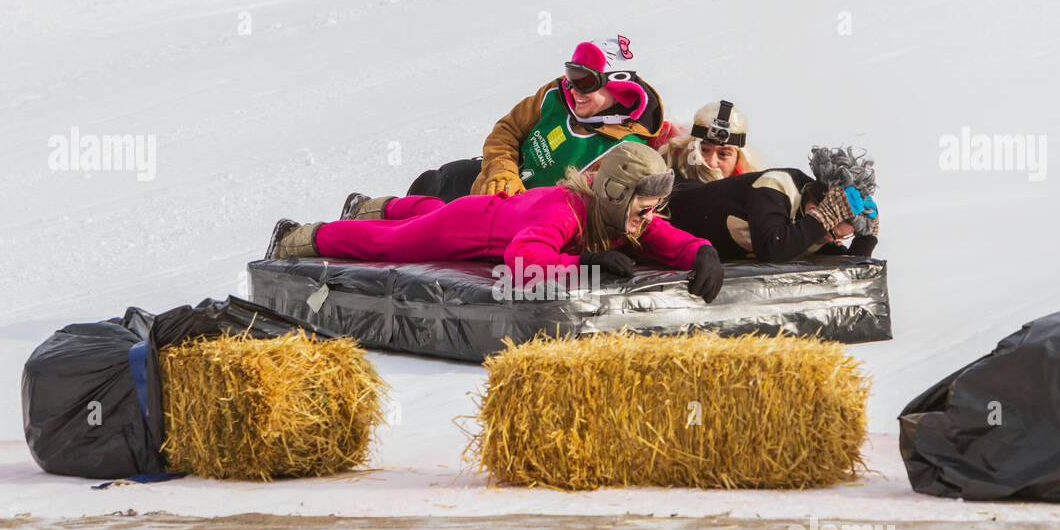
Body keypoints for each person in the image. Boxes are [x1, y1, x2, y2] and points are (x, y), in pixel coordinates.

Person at [266, 142, 724, 301]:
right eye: (644, 205)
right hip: (474, 226)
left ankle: (374, 204)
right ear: (616, 193)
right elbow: (522, 262)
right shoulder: (565, 213)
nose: (650, 217)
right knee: (392, 244)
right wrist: (586, 268)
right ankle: (300, 237)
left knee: (429, 211)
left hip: (499, 212)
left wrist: (699, 252)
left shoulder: (622, 217)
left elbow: (662, 235)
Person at [401, 36, 666, 206]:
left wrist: (519, 203)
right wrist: (502, 171)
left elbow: (589, 209)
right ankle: (375, 217)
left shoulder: (624, 150)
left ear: (618, 86)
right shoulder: (557, 95)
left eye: (585, 81)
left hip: (526, 219)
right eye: (570, 75)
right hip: (493, 187)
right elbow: (508, 130)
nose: (573, 90)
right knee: (441, 180)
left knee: (441, 218)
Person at [667, 146, 879, 264]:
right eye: (834, 234)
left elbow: (842, 265)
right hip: (669, 208)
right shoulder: (777, 184)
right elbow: (772, 249)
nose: (834, 242)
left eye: (843, 237)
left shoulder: (815, 225)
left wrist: (866, 237)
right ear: (816, 210)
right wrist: (822, 220)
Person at [655, 100, 764, 183]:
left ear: (738, 158)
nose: (711, 162)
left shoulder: (752, 199)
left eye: (723, 154)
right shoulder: (660, 177)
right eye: (703, 149)